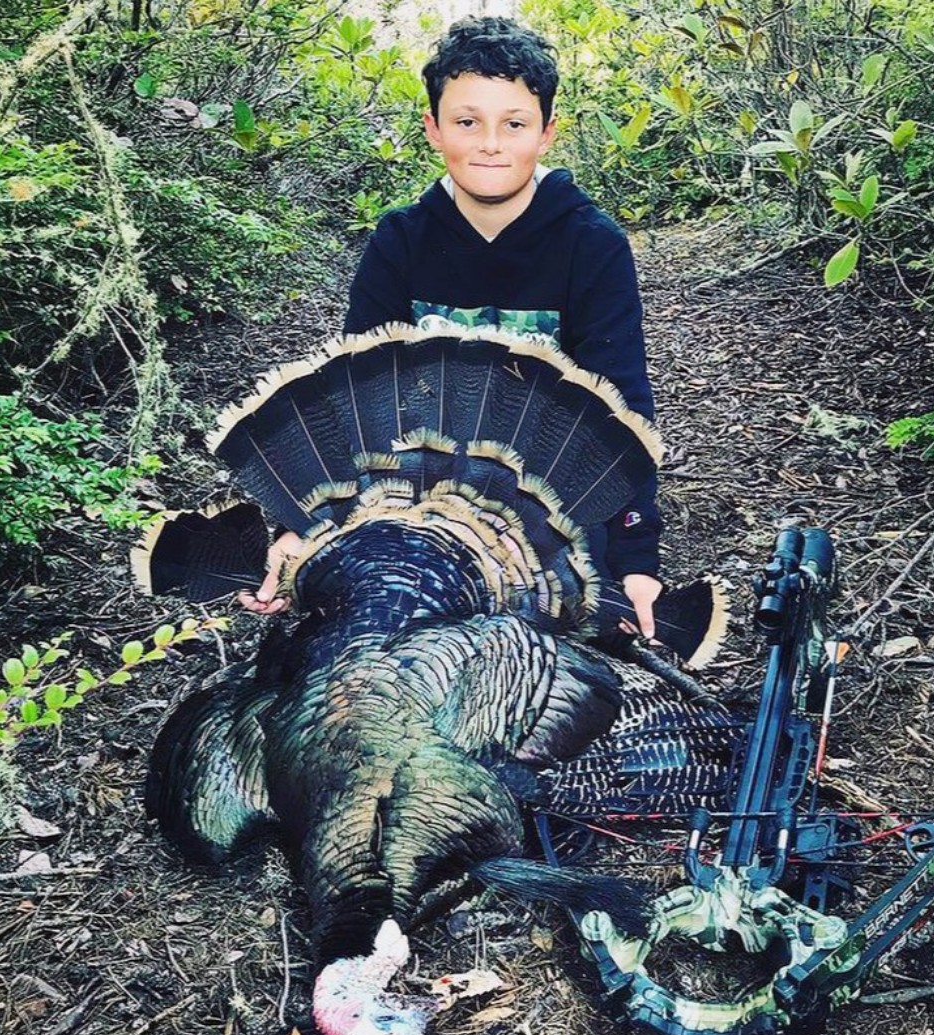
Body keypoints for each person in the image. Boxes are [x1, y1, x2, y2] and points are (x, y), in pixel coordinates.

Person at [242, 16, 663, 639]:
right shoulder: (401, 240)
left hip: (551, 513)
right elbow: (351, 401)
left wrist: (636, 560)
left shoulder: (591, 244)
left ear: (547, 132)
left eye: (514, 124)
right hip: (410, 503)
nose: (490, 143)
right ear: (434, 129)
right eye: (467, 122)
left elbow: (622, 403)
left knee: (585, 653)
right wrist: (297, 529)